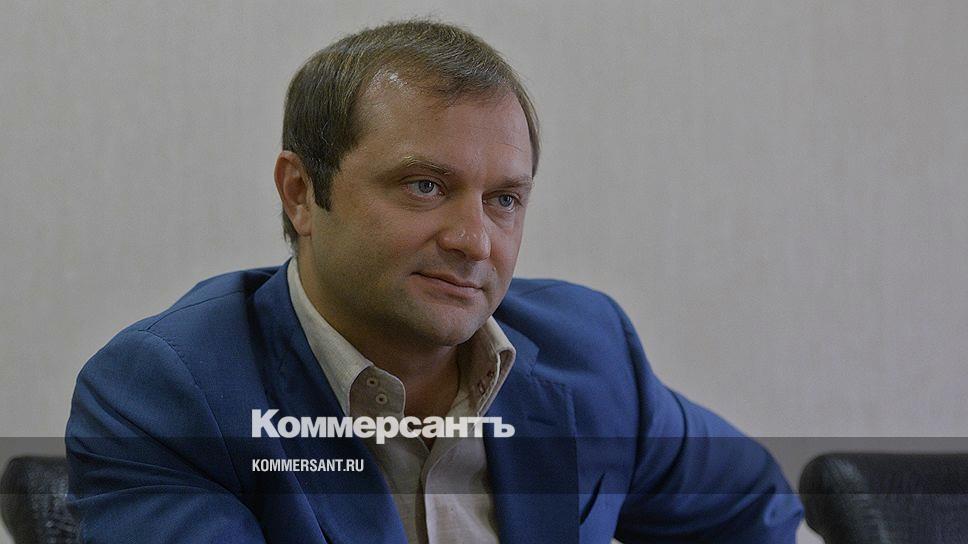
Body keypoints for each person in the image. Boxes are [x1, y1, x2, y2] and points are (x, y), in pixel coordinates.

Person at [66, 19, 803, 543]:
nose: (475, 241)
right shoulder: (169, 390)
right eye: (425, 186)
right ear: (301, 193)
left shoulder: (589, 351)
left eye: (504, 200)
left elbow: (759, 514)